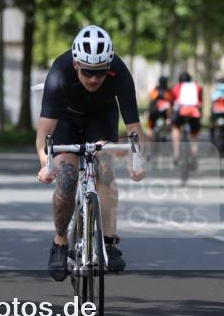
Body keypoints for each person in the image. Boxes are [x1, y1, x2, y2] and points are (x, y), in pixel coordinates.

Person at [36, 25, 144, 282]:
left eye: (100, 72)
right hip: (66, 120)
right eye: (87, 72)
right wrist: (45, 163)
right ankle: (60, 242)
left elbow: (134, 127)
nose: (94, 79)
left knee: (105, 168)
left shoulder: (120, 72)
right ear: (76, 64)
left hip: (101, 117)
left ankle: (108, 242)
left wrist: (137, 160)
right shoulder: (59, 72)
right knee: (67, 176)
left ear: (109, 66)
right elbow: (44, 132)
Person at [171, 72, 202, 164]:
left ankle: (176, 154)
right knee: (194, 134)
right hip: (194, 113)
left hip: (181, 112)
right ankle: (194, 154)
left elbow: (172, 102)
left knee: (176, 128)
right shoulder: (197, 87)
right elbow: (200, 102)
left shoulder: (176, 87)